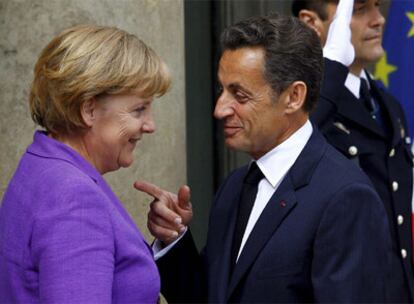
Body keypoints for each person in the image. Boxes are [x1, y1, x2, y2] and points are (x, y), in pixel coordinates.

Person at [135, 7, 391, 303]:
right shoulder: (235, 186)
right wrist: (174, 238)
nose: (220, 109)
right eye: (222, 90)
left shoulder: (346, 198)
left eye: (240, 95)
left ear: (294, 97)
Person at [0, 24, 170, 303]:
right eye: (139, 109)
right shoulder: (73, 197)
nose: (150, 125)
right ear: (88, 109)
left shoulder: (42, 163)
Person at [292, 0, 414, 301]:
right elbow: (292, 150)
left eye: (378, 6)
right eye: (359, 10)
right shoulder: (302, 108)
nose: (378, 20)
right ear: (312, 23)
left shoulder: (389, 107)